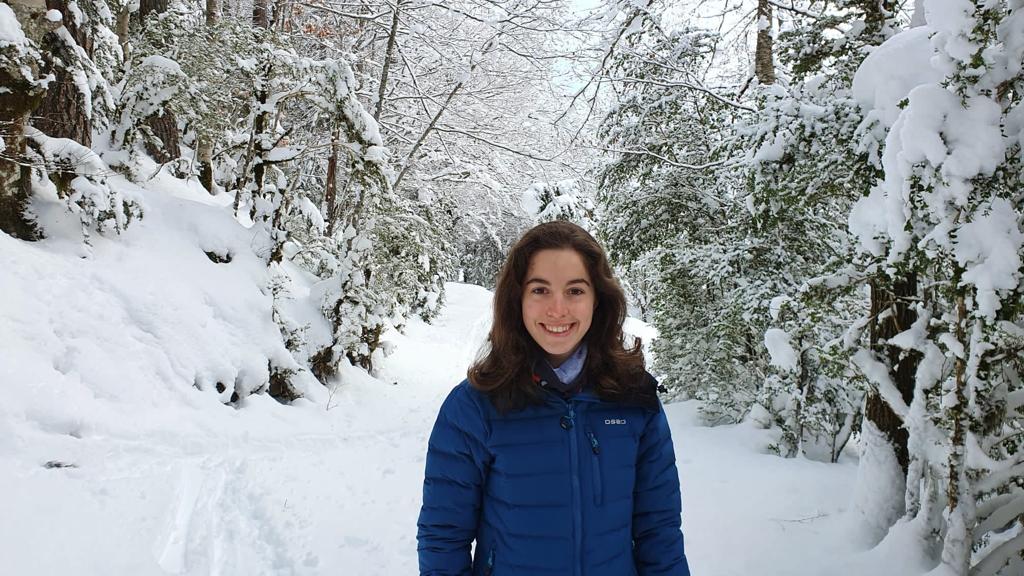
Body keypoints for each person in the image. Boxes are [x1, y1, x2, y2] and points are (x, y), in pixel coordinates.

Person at [417, 220, 690, 576]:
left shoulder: (634, 399)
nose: (557, 309)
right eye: (540, 290)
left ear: (598, 299)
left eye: (575, 291)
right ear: (518, 299)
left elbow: (660, 532)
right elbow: (443, 538)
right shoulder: (473, 407)